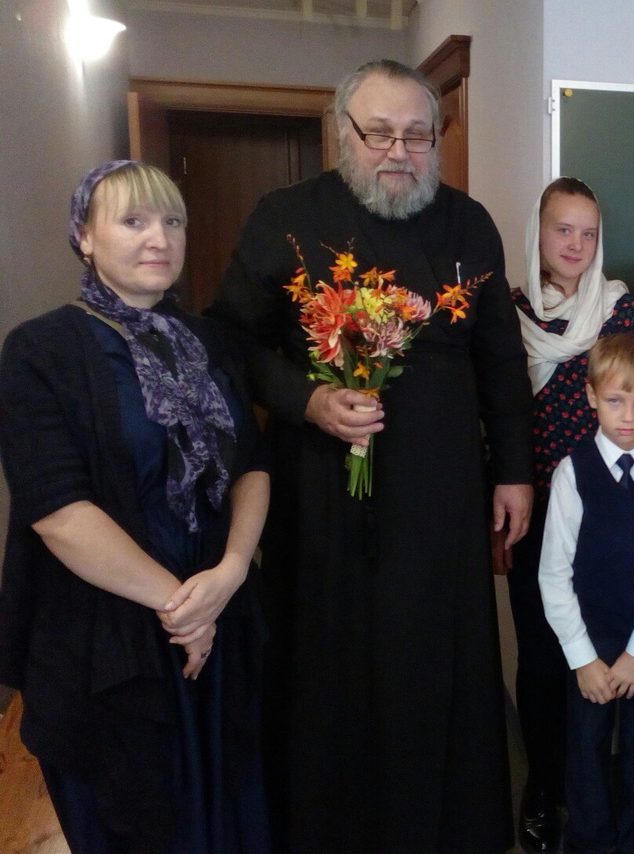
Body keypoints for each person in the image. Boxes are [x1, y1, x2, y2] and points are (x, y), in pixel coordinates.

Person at [206, 60, 533, 852]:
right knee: (332, 671)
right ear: (341, 133)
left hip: (441, 498)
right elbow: (228, 341)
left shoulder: (469, 224)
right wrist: (308, 400)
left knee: (435, 666)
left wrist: (515, 472)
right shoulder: (287, 218)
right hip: (322, 498)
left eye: (418, 136)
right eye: (379, 132)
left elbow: (500, 361)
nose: (399, 151)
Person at [0, 160, 270, 852]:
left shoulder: (209, 341)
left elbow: (252, 467)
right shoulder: (39, 350)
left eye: (172, 221)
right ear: (84, 237)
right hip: (109, 641)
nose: (160, 238)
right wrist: (184, 609)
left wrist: (230, 572)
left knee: (232, 813)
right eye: (134, 220)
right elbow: (58, 512)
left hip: (219, 622)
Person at [507, 176, 634, 852]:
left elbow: (629, 404)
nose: (576, 245)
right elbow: (498, 409)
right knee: (539, 653)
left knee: (594, 651)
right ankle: (542, 786)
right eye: (563, 229)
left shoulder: (617, 311)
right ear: (538, 231)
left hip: (601, 513)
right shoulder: (507, 312)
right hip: (531, 507)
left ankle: (588, 785)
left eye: (588, 233)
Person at [538, 334, 634, 854]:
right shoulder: (572, 471)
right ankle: (588, 839)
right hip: (589, 633)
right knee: (586, 743)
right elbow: (553, 573)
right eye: (615, 400)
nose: (628, 415)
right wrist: (582, 657)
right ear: (591, 396)